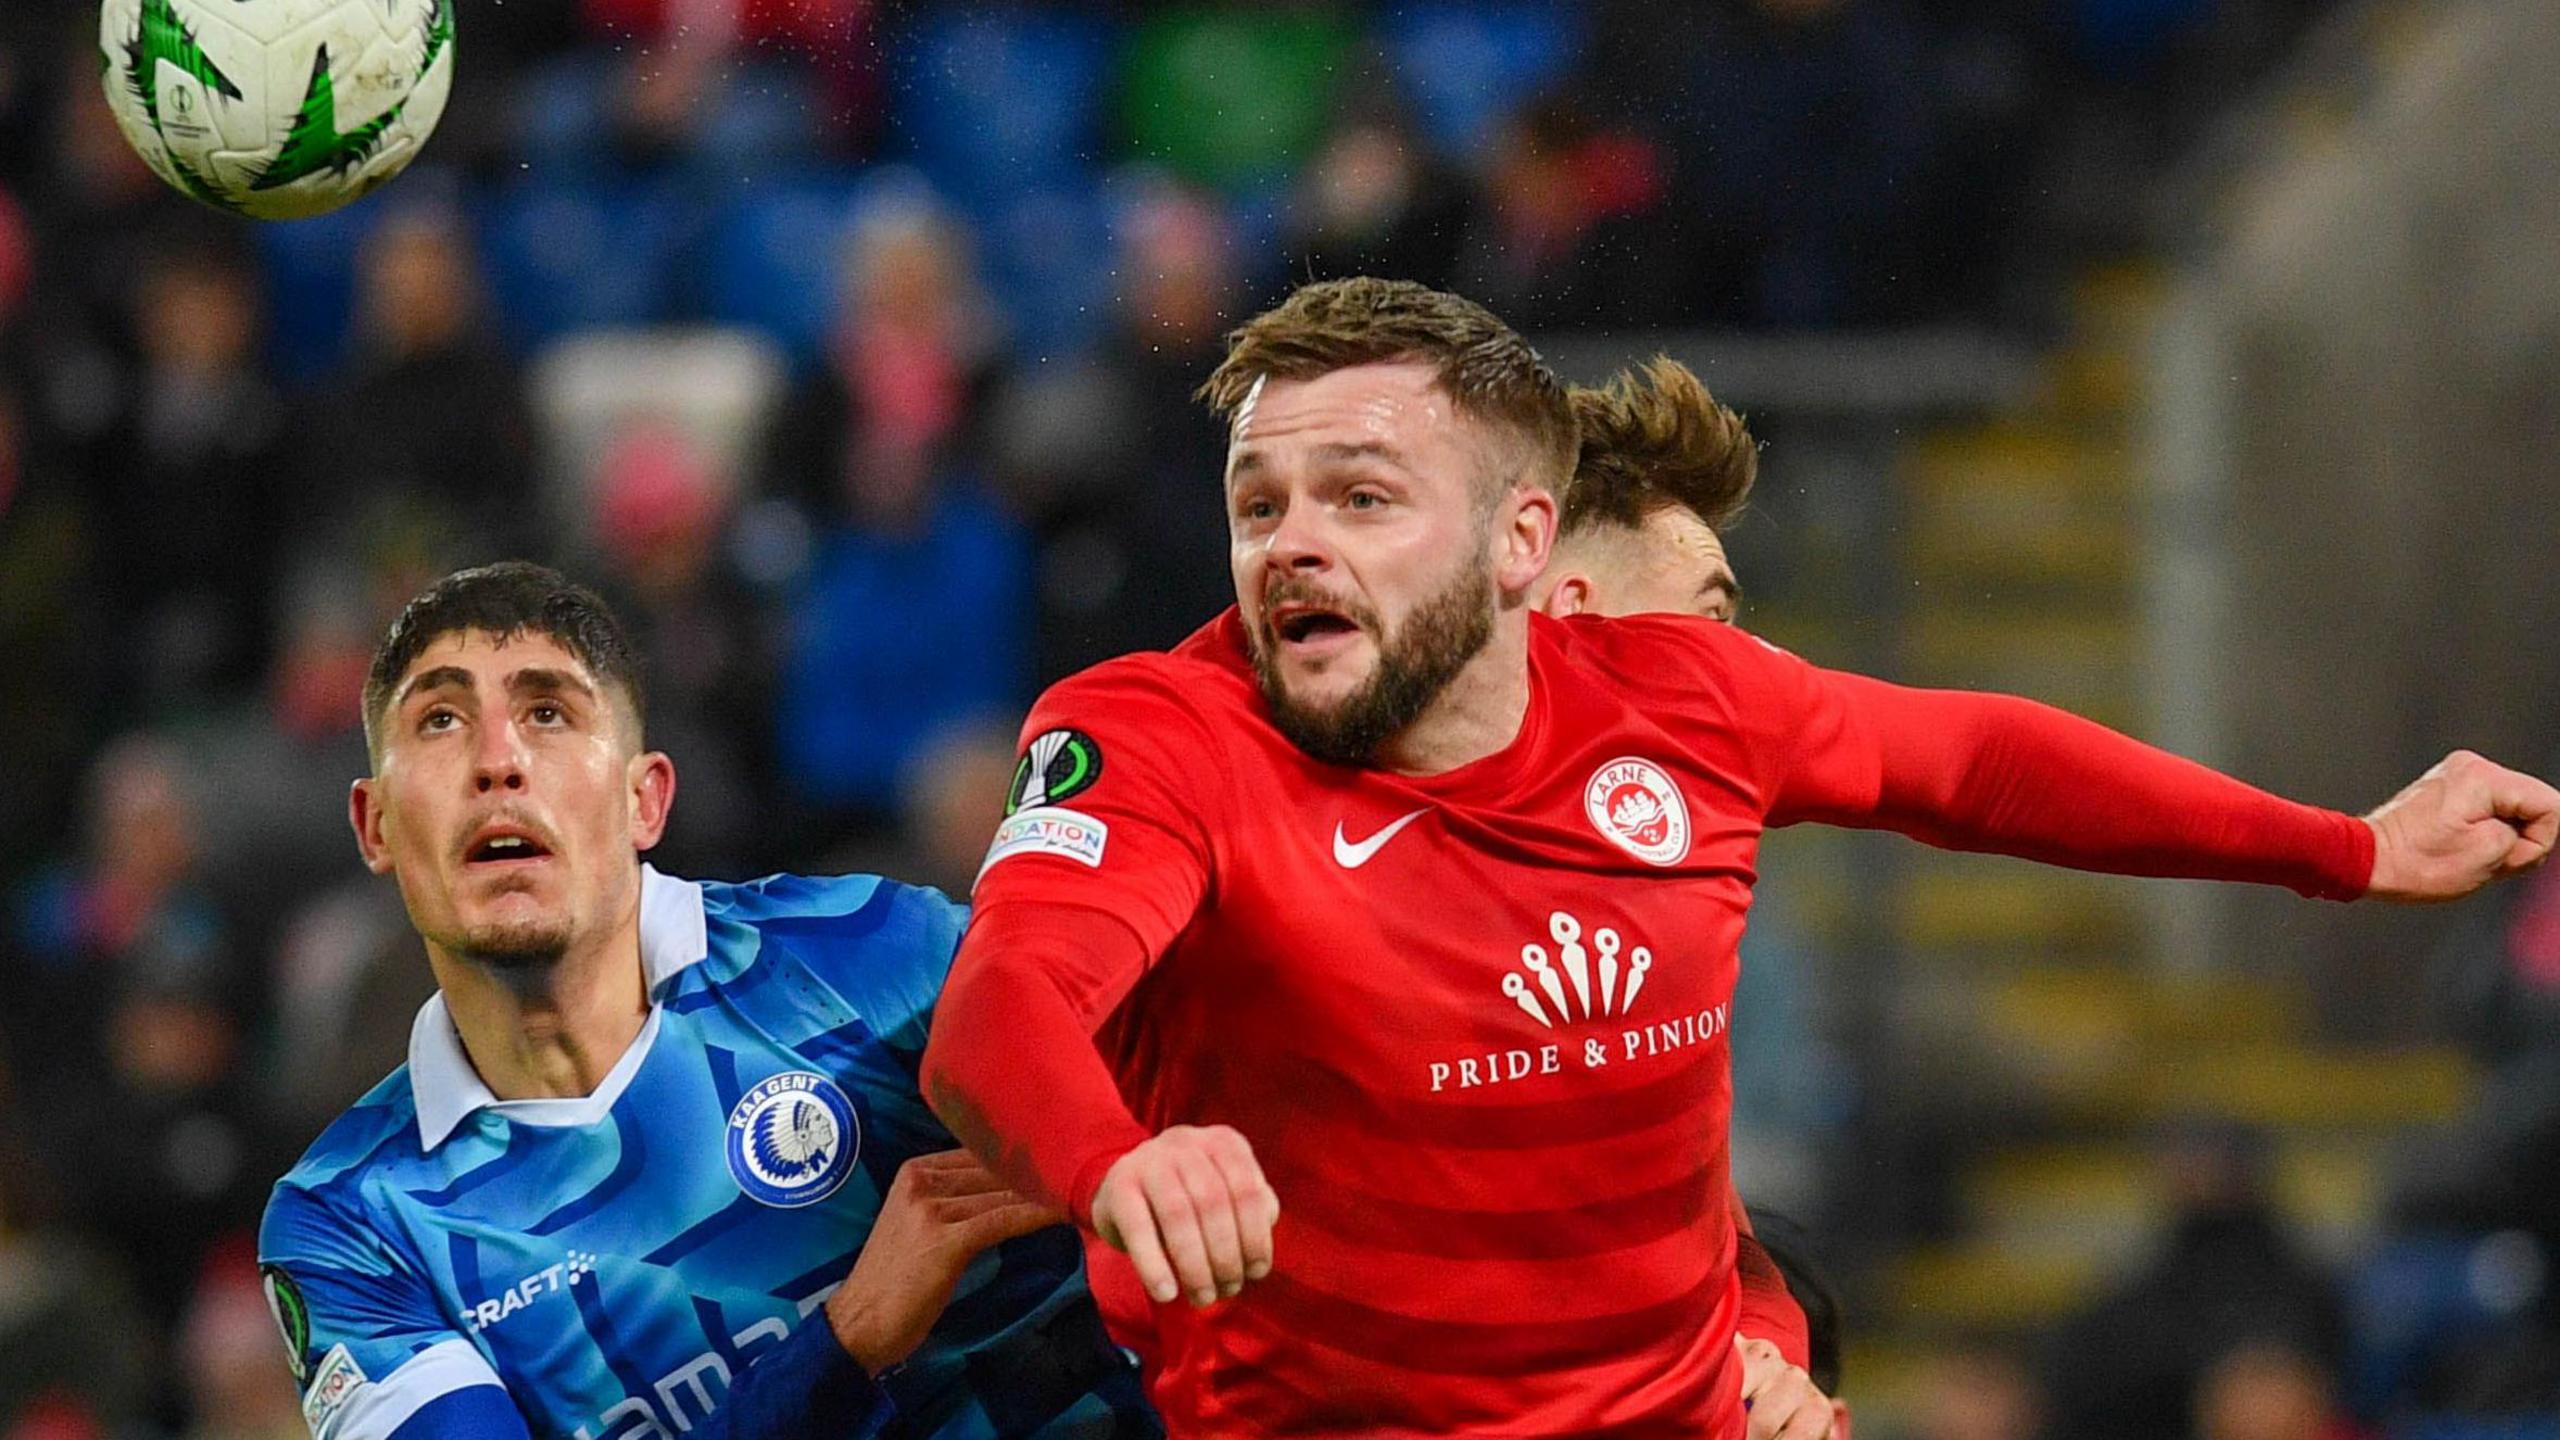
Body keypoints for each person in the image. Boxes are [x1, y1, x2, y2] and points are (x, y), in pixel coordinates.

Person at [918, 276, 2560, 1436]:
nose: (1294, 544)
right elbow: (999, 1011)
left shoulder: (1680, 703)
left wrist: (2347, 847)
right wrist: (1121, 1160)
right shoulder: (1163, 735)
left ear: (1522, 545)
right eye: (1259, 502)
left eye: (1361, 496)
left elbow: (1979, 762)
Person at [259, 564, 1155, 1440]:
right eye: (442, 720)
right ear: (375, 824)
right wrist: (846, 1343)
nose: (499, 762)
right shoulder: (356, 1223)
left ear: (645, 801)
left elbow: (1196, 1100)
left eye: (547, 713)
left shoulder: (874, 962)